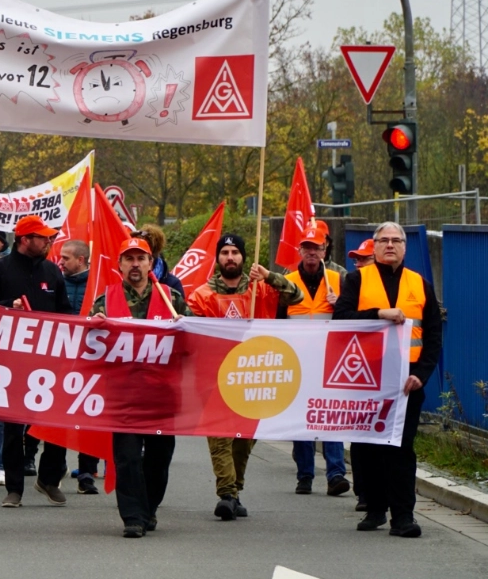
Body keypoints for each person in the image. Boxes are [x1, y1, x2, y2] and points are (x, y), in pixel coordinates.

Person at [334, 222, 441, 539]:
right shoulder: (356, 279)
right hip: (365, 379)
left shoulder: (419, 284)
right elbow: (340, 319)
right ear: (375, 246)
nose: (390, 245)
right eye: (384, 240)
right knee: (367, 446)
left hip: (406, 382)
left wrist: (421, 375)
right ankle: (375, 509)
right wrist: (379, 313)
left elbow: (433, 335)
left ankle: (403, 516)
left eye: (397, 240)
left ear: (405, 247)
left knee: (401, 448)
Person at [187, 233, 301, 521]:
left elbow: (296, 295)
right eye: (224, 252)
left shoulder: (261, 290)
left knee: (244, 438)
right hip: (213, 378)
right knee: (219, 437)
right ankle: (226, 494)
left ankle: (235, 490)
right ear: (218, 258)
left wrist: (270, 276)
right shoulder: (202, 295)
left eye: (235, 252)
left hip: (253, 377)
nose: (229, 257)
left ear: (243, 257)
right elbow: (190, 331)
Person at [90, 237, 190, 537]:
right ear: (120, 265)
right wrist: (93, 326)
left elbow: (194, 340)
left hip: (162, 394)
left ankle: (149, 507)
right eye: (129, 259)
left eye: (141, 258)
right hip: (123, 395)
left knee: (160, 457)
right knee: (128, 456)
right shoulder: (104, 300)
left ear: (151, 263)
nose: (135, 264)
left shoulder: (171, 297)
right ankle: (133, 516)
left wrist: (186, 324)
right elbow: (88, 343)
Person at [0, 215, 73, 508]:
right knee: (13, 428)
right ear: (24, 240)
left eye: (48, 237)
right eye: (41, 237)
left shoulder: (52, 271)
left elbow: (65, 313)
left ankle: (48, 478)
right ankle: (14, 488)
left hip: (49, 362)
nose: (48, 241)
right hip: (11, 363)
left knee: (56, 422)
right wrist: (8, 307)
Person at [280, 225, 350, 498]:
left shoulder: (340, 278)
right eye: (307, 247)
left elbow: (356, 315)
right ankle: (305, 475)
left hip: (330, 361)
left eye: (317, 247)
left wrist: (340, 304)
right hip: (297, 361)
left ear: (325, 250)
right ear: (300, 251)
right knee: (303, 418)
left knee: (330, 415)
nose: (312, 252)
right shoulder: (288, 279)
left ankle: (336, 475)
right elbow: (275, 318)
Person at [55, 238, 101, 494]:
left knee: (88, 415)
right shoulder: (56, 281)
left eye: (66, 258)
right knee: (59, 413)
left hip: (89, 357)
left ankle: (86, 471)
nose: (60, 261)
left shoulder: (97, 286)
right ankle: (58, 465)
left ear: (81, 260)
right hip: (61, 356)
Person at [136, 224, 186, 298]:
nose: (135, 263)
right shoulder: (130, 280)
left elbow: (180, 309)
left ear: (151, 260)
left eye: (141, 258)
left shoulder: (172, 284)